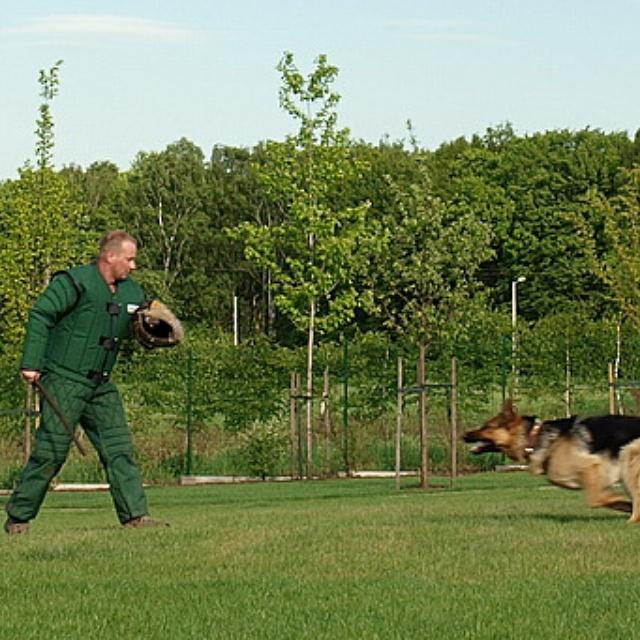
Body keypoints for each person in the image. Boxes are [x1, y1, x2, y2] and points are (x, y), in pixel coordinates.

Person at [4, 230, 168, 534]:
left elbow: (147, 320)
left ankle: (136, 516)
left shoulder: (132, 292)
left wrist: (159, 327)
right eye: (130, 259)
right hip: (64, 380)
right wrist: (31, 363)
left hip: (100, 386)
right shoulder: (73, 282)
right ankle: (18, 518)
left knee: (119, 448)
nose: (133, 266)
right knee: (51, 451)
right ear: (110, 256)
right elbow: (41, 315)